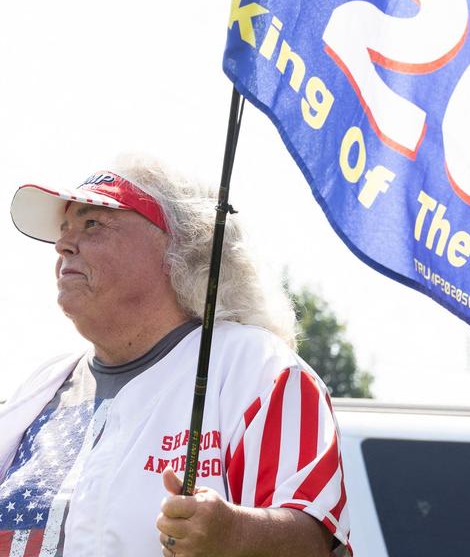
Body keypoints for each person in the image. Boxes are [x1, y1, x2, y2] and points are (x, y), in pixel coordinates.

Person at [0, 155, 351, 556]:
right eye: (64, 229)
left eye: (92, 223)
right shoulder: (42, 387)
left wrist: (236, 534)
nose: (63, 244)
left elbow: (316, 542)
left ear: (181, 245)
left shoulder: (258, 368)